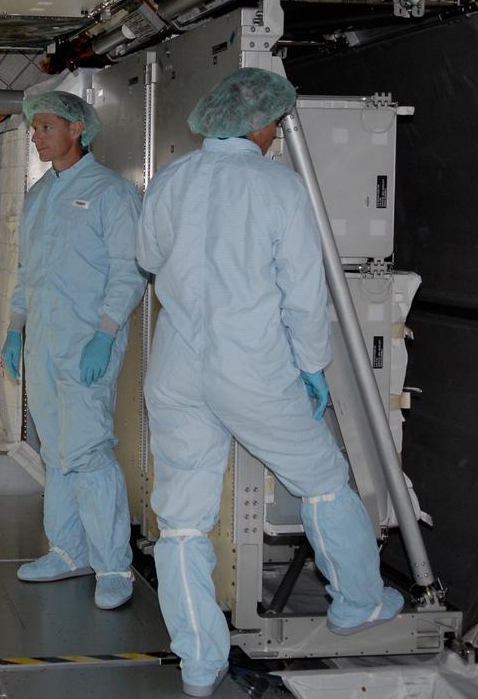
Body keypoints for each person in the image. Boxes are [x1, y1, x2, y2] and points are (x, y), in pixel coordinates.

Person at [136, 68, 405, 697]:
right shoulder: (278, 187)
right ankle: (357, 602)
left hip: (175, 366)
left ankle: (200, 664)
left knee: (180, 519)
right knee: (321, 479)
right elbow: (305, 296)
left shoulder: (172, 179)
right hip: (251, 367)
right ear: (262, 124)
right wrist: (312, 365)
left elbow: (147, 259)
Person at [0, 90, 145, 610]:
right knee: (57, 452)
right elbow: (27, 274)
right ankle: (67, 550)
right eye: (33, 128)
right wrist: (15, 328)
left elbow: (129, 273)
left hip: (87, 340)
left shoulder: (111, 193)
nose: (35, 136)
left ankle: (113, 566)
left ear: (76, 128)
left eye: (44, 127)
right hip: (42, 342)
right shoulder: (40, 197)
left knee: (88, 452)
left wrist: (105, 334)